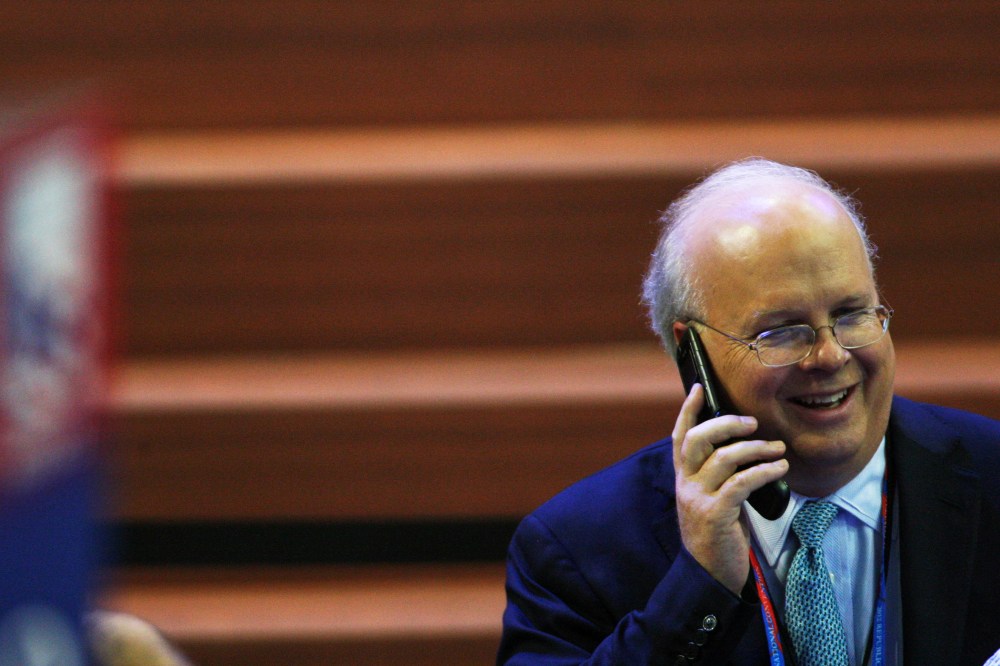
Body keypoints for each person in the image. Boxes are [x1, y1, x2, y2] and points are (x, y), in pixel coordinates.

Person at [497, 158, 1000, 665]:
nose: (829, 356)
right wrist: (699, 588)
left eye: (851, 314)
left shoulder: (992, 474)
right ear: (691, 352)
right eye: (780, 331)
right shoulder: (578, 549)